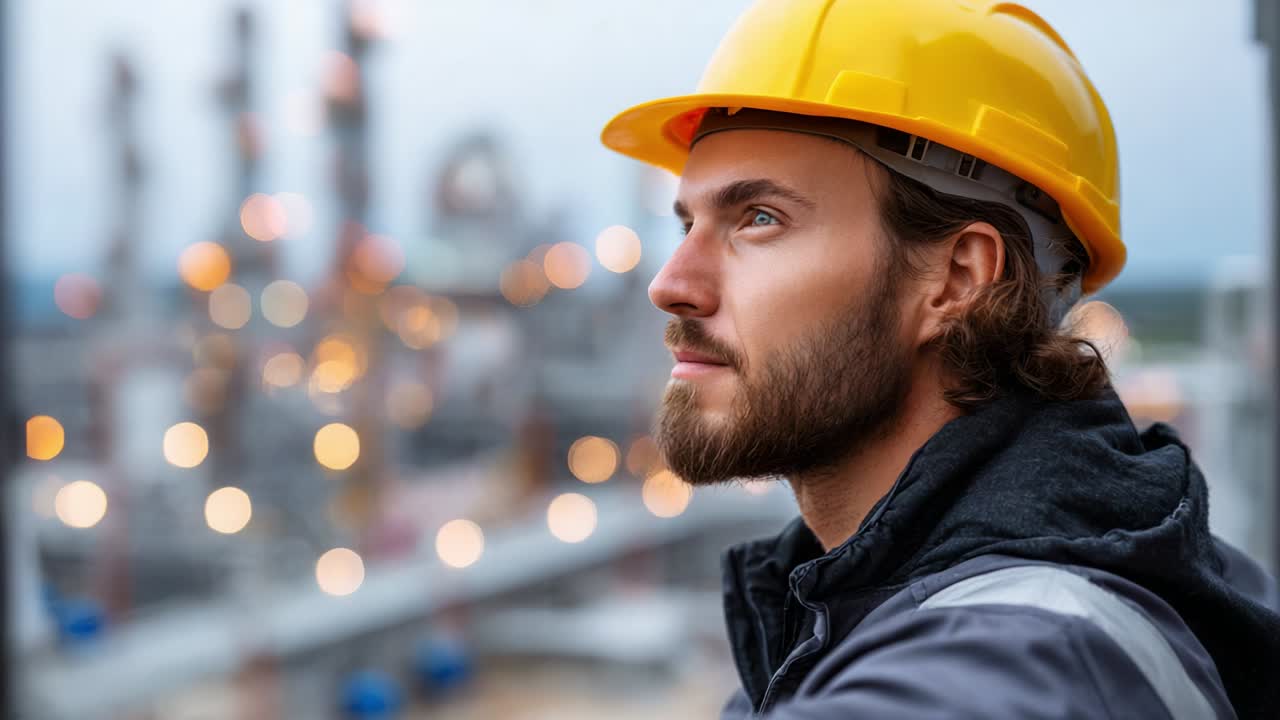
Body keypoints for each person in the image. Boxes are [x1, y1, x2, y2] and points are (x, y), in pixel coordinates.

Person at [599, 0, 1280, 717]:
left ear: (957, 277)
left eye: (759, 219)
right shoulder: (847, 605)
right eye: (686, 223)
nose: (671, 284)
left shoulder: (1030, 656)